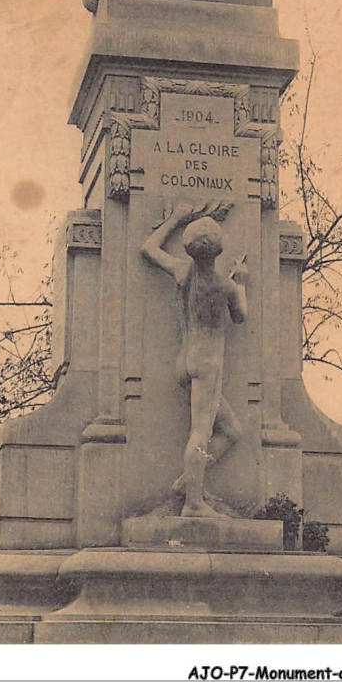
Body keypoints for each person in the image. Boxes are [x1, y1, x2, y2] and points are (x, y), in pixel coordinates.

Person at [141, 205, 248, 517]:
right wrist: (240, 283)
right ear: (218, 250)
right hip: (208, 363)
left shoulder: (181, 270)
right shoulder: (225, 286)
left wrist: (174, 219)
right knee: (201, 433)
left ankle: (189, 483)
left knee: (232, 431)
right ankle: (194, 503)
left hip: (186, 360)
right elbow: (241, 317)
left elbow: (148, 248)